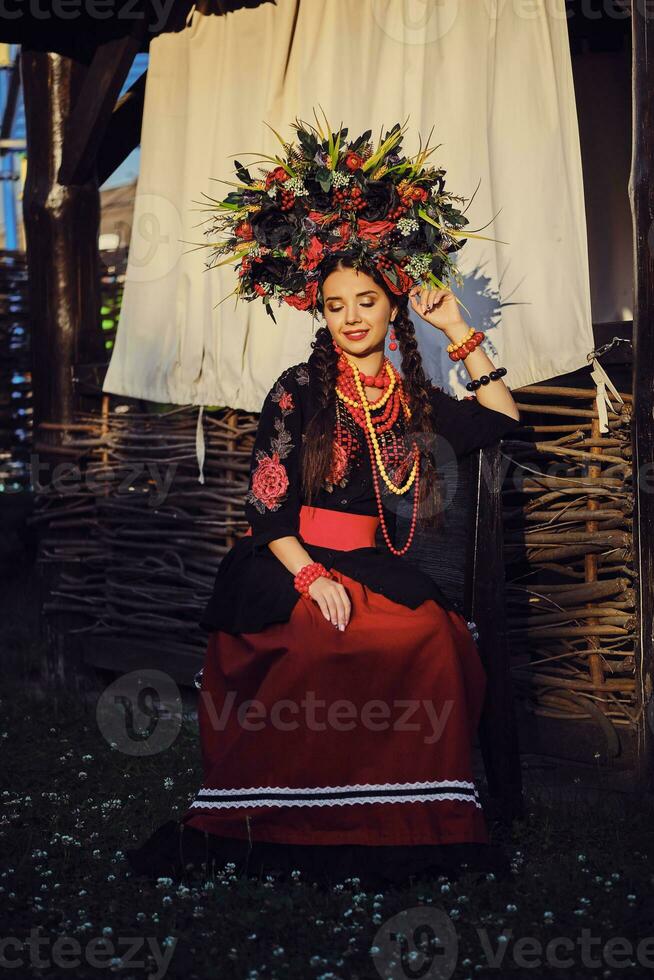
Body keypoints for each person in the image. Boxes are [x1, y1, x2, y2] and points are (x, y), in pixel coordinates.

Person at [126, 117, 522, 888]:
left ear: (390, 307)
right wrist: (313, 579)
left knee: (435, 640)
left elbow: (506, 422)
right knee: (317, 641)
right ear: (322, 313)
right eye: (336, 304)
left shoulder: (412, 399)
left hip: (372, 562)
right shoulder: (298, 390)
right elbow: (265, 510)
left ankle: (405, 821)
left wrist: (460, 329)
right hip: (290, 561)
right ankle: (288, 822)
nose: (352, 317)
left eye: (367, 300)